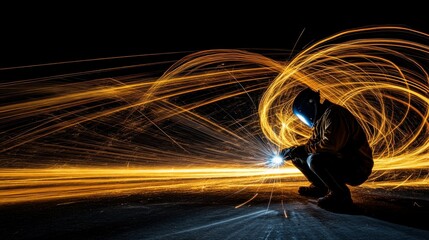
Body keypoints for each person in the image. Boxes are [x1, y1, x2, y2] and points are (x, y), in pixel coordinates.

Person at [281, 87, 374, 210]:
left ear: (311, 105)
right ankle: (320, 187)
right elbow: (311, 145)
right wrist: (293, 151)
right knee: (298, 157)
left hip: (357, 166)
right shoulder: (321, 121)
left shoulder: (334, 114)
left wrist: (304, 150)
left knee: (314, 160)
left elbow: (330, 146)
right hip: (343, 161)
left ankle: (341, 195)